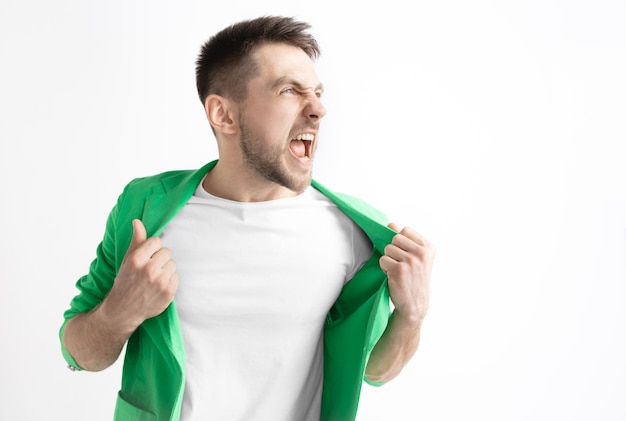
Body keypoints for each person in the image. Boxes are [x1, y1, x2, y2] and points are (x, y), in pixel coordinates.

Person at [59, 15, 435, 421]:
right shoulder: (145, 209)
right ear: (223, 115)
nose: (319, 109)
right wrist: (121, 310)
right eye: (290, 90)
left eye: (318, 93)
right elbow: (79, 353)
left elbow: (376, 370)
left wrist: (411, 314)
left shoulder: (356, 232)